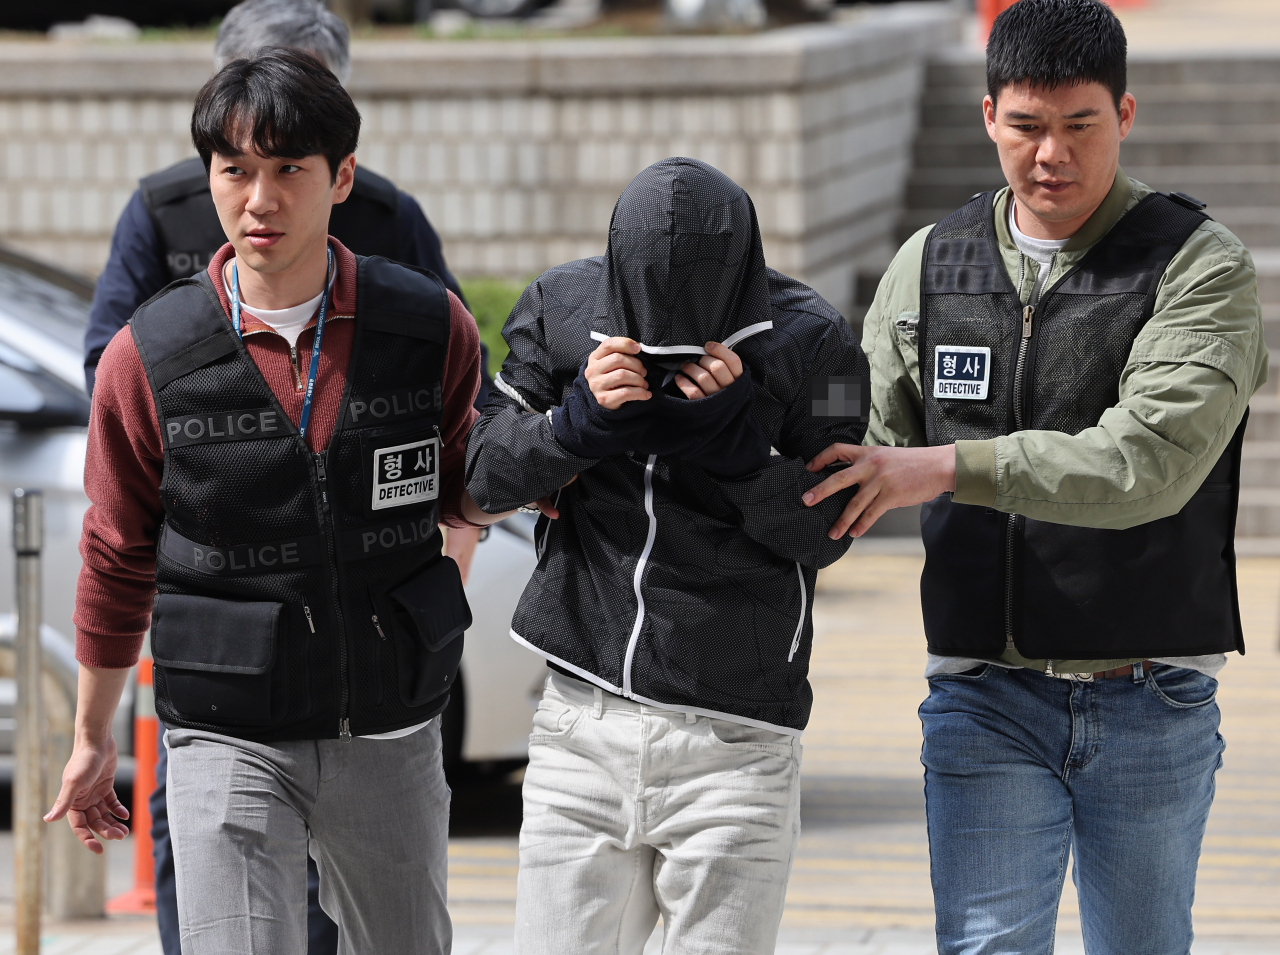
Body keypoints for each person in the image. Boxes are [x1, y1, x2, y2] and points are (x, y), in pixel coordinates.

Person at [802, 1, 1267, 951]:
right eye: (1025, 126)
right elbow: (848, 457)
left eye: (1078, 125)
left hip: (1152, 696)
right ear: (987, 119)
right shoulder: (929, 266)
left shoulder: (1198, 267)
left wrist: (946, 467)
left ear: (1125, 116)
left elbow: (1148, 463)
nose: (1050, 154)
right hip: (983, 692)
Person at [47, 49, 515, 954]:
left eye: (289, 170)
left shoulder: (428, 326)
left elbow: (471, 483)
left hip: (389, 727)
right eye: (236, 170)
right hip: (225, 731)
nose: (260, 199)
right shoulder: (148, 355)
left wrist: (434, 603)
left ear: (342, 177)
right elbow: (115, 551)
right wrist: (92, 735)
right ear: (210, 178)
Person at [466, 157, 869, 955]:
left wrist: (742, 450)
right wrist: (571, 427)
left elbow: (832, 530)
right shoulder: (560, 306)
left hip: (738, 741)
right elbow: (480, 477)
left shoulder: (814, 342)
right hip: (580, 722)